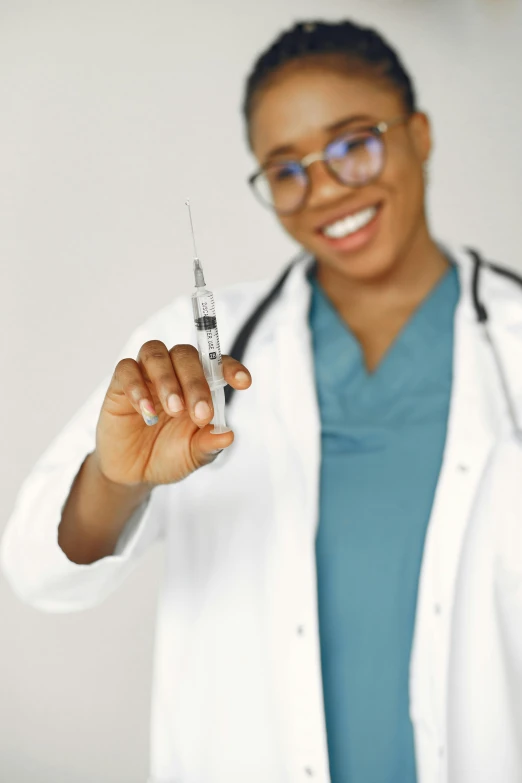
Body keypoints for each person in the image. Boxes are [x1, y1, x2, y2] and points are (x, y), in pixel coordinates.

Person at [2, 18, 522, 783]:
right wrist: (117, 481)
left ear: (419, 133)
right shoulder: (186, 357)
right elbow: (36, 573)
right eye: (286, 169)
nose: (325, 190)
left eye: (354, 143)